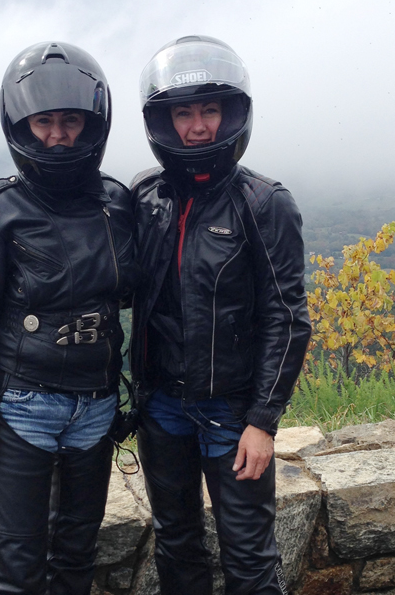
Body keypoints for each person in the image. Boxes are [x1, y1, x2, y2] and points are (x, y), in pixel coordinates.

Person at [0, 41, 136, 595]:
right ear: (20, 126)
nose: (57, 135)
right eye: (43, 121)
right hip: (23, 405)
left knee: (77, 551)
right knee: (12, 563)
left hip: (96, 406)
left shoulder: (116, 204)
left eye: (71, 121)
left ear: (92, 123)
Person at [130, 35, 312, 594]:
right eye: (183, 113)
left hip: (231, 410)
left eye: (210, 110)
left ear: (233, 113)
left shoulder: (262, 202)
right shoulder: (147, 197)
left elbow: (288, 319)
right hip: (162, 406)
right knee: (176, 541)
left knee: (250, 556)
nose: (198, 127)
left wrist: (262, 421)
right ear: (164, 121)